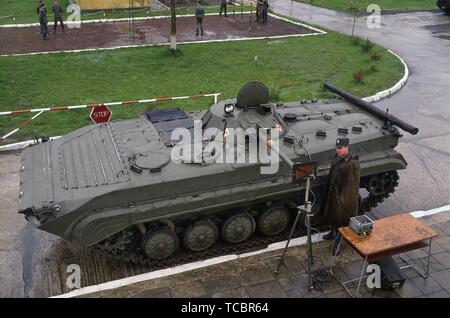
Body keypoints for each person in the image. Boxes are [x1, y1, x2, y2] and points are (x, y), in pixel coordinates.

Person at [321, 138, 360, 253]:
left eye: (340, 148)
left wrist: (343, 201)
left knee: (342, 220)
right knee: (333, 216)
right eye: (336, 148)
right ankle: (333, 232)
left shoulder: (352, 163)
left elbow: (352, 186)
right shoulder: (337, 158)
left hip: (344, 198)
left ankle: (338, 242)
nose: (337, 150)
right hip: (334, 193)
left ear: (347, 147)